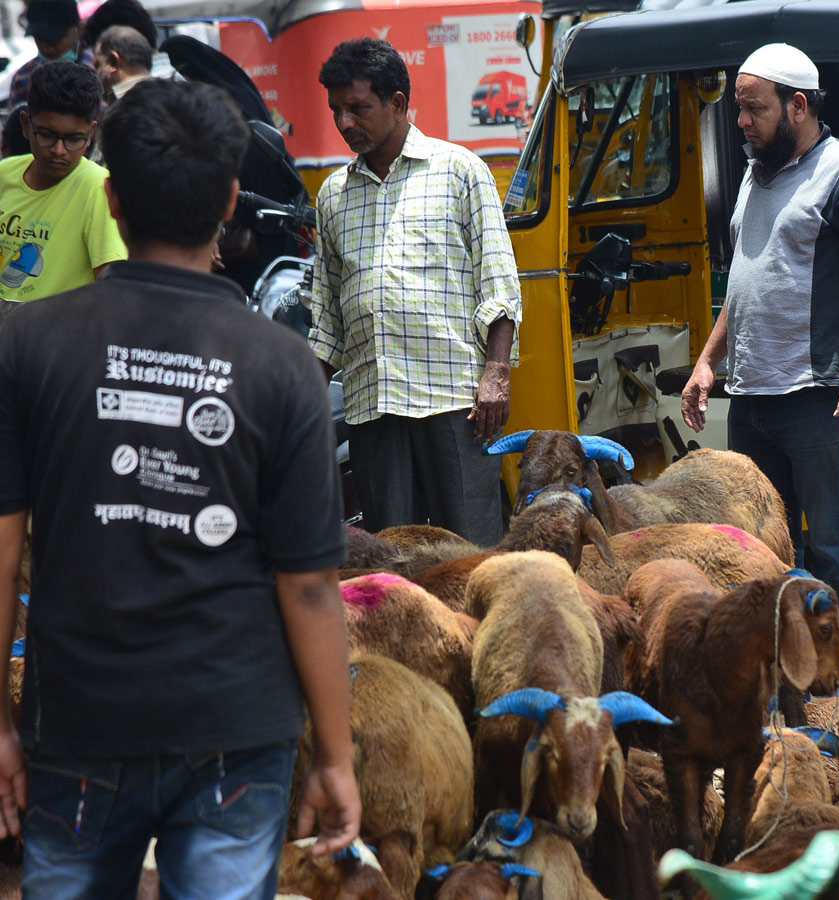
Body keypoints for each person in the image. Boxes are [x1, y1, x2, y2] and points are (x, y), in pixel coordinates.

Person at [0, 78, 361, 898]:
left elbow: (2, 548)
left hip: (79, 721)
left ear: (114, 197)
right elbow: (308, 586)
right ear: (232, 201)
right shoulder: (283, 366)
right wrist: (336, 757)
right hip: (236, 725)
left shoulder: (26, 345)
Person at [680, 43, 839, 697]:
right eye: (739, 109)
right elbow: (745, 286)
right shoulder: (757, 174)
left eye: (753, 109)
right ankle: (787, 673)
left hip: (815, 395)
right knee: (766, 547)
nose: (741, 122)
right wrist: (706, 362)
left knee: (833, 540)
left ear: (797, 105)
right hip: (752, 394)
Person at [309, 37, 521, 541]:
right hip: (372, 404)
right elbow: (326, 317)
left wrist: (496, 373)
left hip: (453, 399)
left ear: (398, 103)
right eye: (337, 110)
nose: (344, 123)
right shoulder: (333, 195)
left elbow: (499, 280)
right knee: (394, 558)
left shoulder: (459, 170)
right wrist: (303, 399)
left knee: (470, 551)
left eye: (358, 109)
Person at [0, 61, 125, 307]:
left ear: (90, 134)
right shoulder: (4, 174)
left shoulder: (97, 188)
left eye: (73, 139)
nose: (59, 151)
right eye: (46, 135)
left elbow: (111, 291)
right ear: (26, 125)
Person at [8, 0, 96, 107]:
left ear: (79, 28)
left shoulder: (103, 71)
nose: (47, 49)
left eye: (55, 39)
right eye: (39, 39)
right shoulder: (23, 79)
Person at [95, 25, 153, 101]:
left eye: (97, 65)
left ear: (113, 62)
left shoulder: (123, 107)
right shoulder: (171, 96)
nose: (96, 73)